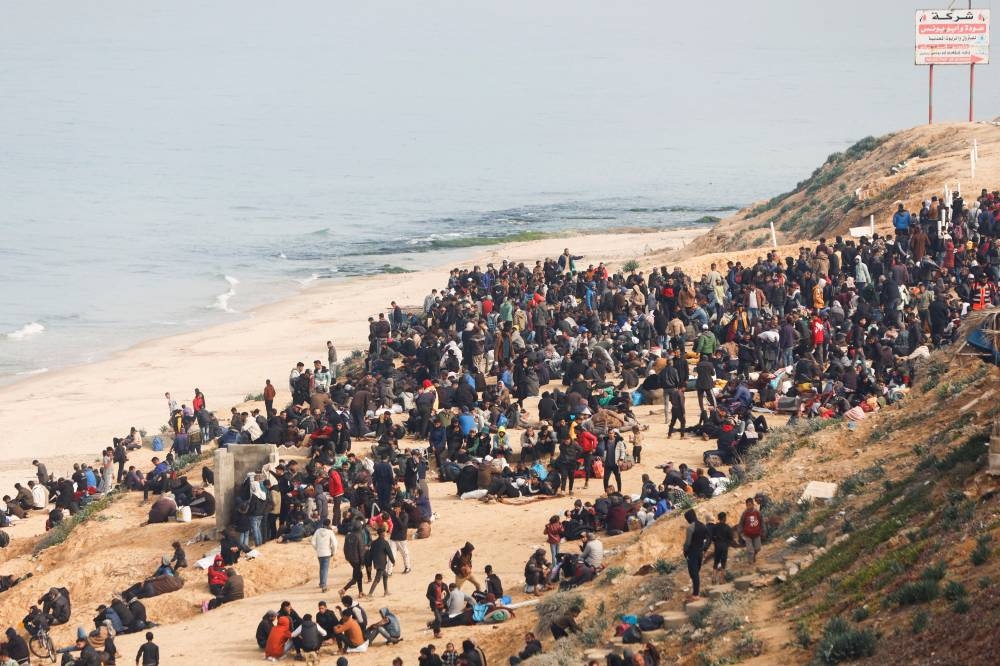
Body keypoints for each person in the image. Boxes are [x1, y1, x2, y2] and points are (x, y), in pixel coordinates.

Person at [682, 509, 709, 601]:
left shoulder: (691, 527)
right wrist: (704, 548)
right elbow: (707, 539)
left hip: (692, 552)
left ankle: (696, 595)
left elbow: (688, 543)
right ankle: (695, 593)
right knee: (696, 572)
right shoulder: (703, 526)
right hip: (700, 552)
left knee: (693, 573)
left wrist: (685, 551)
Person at [311, 518, 339, 593]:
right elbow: (335, 544)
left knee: (321, 568)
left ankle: (321, 583)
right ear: (329, 524)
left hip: (320, 553)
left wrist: (317, 548)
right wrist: (334, 552)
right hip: (327, 553)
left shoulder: (317, 531)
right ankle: (324, 586)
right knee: (325, 569)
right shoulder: (330, 532)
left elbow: (312, 541)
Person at [709, 512, 736, 586]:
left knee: (716, 562)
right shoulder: (727, 527)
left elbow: (711, 536)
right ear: (724, 518)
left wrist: (715, 541)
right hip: (724, 546)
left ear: (718, 518)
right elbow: (731, 538)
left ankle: (713, 578)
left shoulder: (715, 527)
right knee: (723, 563)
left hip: (717, 546)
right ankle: (721, 579)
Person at [366, 527, 395, 597]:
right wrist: (393, 561)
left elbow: (370, 554)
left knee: (385, 576)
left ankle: (386, 591)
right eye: (384, 532)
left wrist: (369, 564)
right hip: (382, 563)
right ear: (382, 534)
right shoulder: (385, 543)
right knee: (377, 579)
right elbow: (389, 553)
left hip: (376, 562)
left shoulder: (373, 543)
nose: (385, 534)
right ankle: (370, 594)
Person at [738, 497, 763, 565]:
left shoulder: (757, 512)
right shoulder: (744, 513)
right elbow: (741, 523)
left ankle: (754, 555)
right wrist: (740, 533)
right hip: (747, 535)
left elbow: (761, 521)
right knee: (750, 550)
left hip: (756, 534)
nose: (748, 506)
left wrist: (763, 530)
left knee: (758, 548)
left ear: (753, 504)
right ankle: (750, 562)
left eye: (750, 504)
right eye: (747, 505)